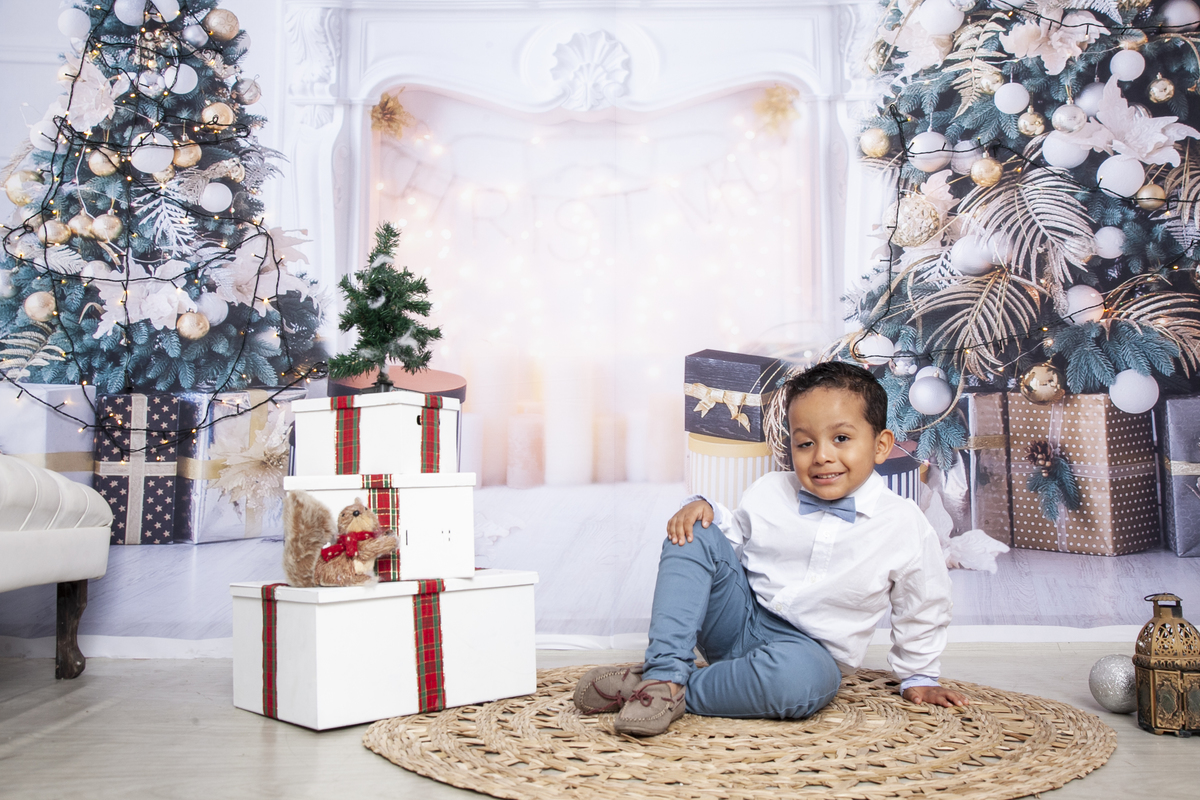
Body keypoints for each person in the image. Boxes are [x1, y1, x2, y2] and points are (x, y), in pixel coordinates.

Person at [573, 360, 968, 736]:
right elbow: (730, 540)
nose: (822, 456)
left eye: (841, 439)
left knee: (800, 684)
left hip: (808, 655)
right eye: (805, 443)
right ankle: (664, 671)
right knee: (693, 531)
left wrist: (919, 674)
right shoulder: (770, 491)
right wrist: (706, 511)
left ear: (881, 445)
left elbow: (923, 602)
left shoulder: (902, 524)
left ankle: (669, 691)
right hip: (738, 620)